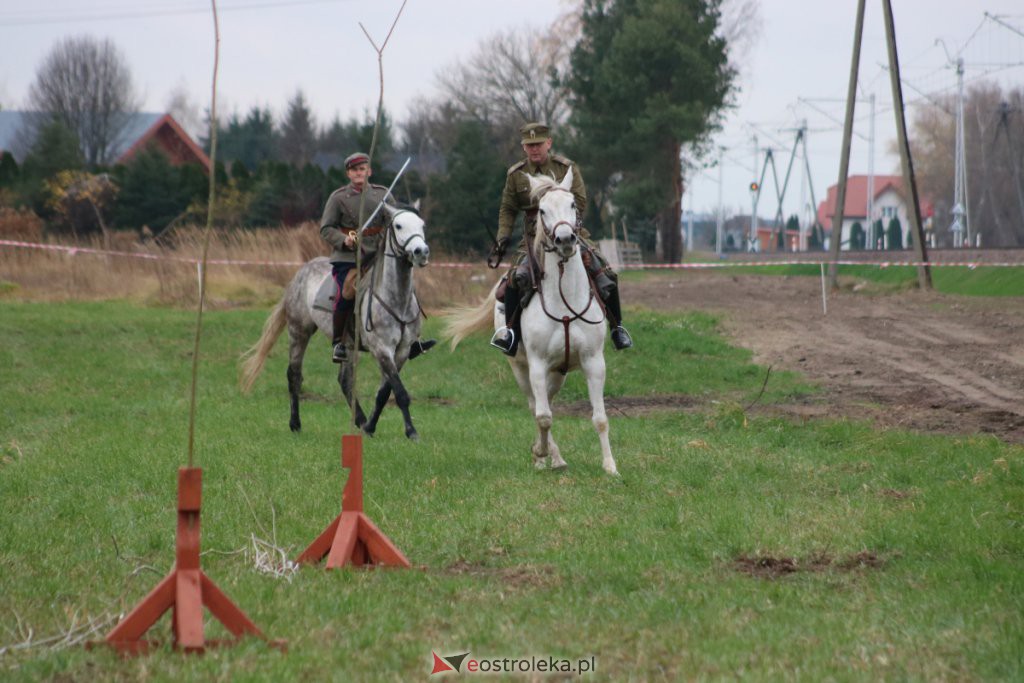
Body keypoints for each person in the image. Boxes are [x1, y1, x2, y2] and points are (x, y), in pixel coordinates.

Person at [488, 122, 632, 355]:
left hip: (569, 231)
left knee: (605, 272)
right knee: (515, 278)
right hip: (534, 236)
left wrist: (562, 221)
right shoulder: (516, 175)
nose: (534, 149)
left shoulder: (566, 168)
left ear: (549, 143)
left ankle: (617, 328)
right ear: (524, 147)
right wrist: (502, 237)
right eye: (529, 145)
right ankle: (511, 334)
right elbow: (507, 208)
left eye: (538, 144)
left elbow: (581, 201)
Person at [320, 152, 435, 363]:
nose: (359, 173)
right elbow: (326, 228)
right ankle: (339, 342)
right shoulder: (338, 198)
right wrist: (343, 239)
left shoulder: (383, 194)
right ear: (348, 173)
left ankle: (413, 339)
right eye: (354, 170)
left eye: (362, 169)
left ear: (369, 171)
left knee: (404, 285)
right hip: (350, 256)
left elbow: (394, 219)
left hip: (380, 253)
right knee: (347, 290)